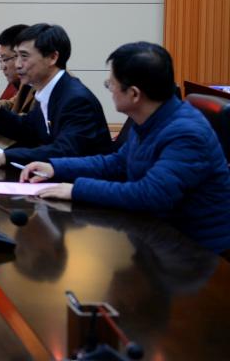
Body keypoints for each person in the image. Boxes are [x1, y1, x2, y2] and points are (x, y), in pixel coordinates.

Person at [21, 42, 230, 256]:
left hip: (195, 254)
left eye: (110, 84)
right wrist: (55, 168)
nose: (110, 91)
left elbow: (150, 194)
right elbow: (118, 162)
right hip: (158, 239)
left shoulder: (186, 133)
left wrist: (76, 190)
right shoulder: (151, 118)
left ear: (134, 94)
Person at [0, 23, 112, 168]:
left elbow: (64, 151)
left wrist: (5, 157)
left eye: (24, 57)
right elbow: (28, 129)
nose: (18, 64)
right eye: (17, 57)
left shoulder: (76, 100)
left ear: (52, 57)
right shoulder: (47, 89)